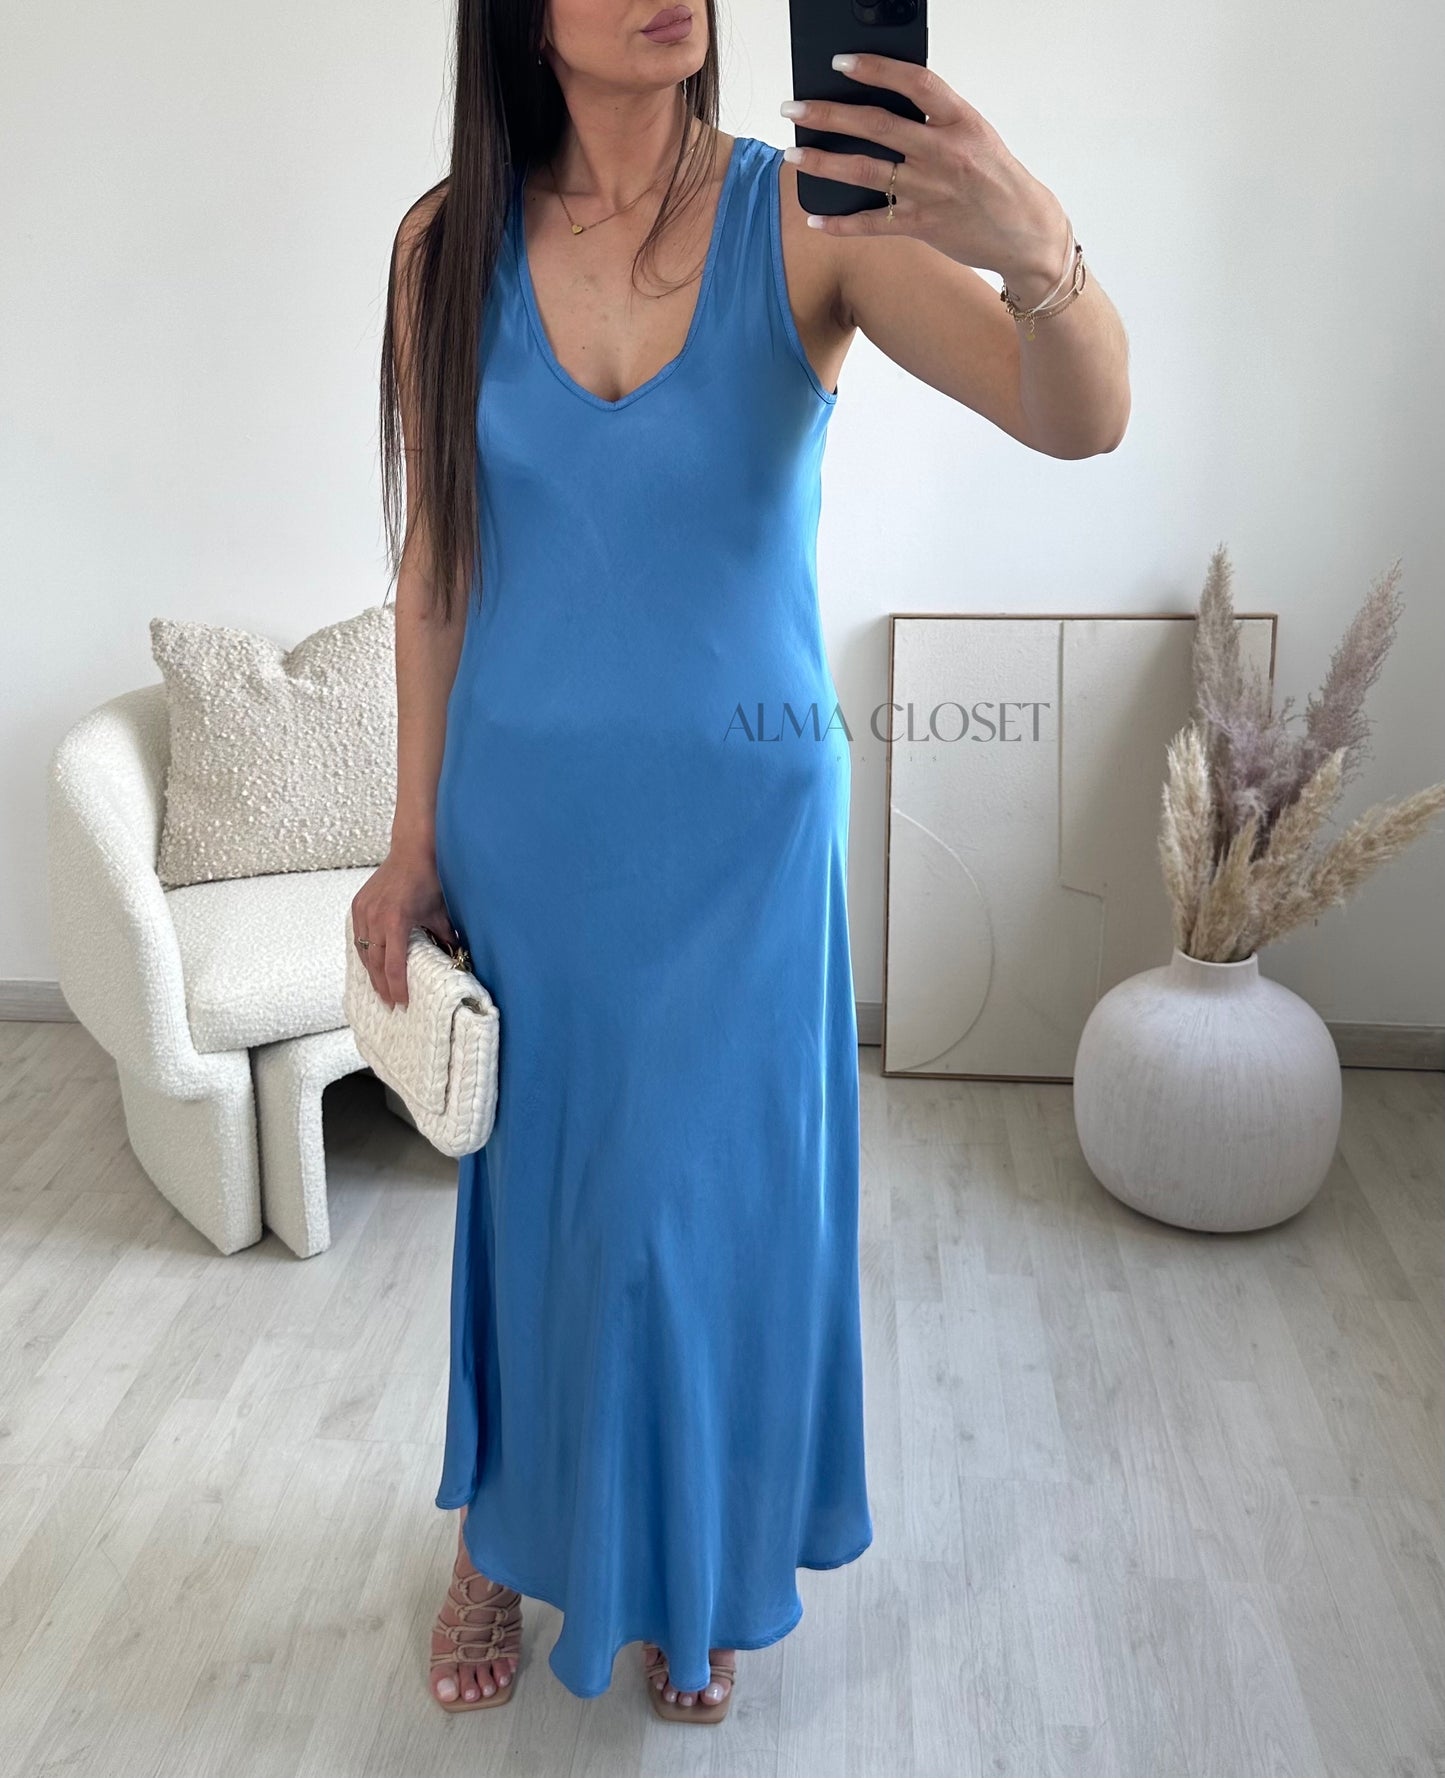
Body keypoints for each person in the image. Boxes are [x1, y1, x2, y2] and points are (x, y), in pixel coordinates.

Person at [350, 0, 1130, 1727]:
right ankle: (501, 1530)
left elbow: (1076, 418)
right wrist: (408, 843)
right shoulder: (443, 244)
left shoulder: (807, 220)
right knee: (551, 1209)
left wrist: (1037, 251)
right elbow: (436, 566)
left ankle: (684, 1555)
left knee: (697, 1218)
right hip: (528, 837)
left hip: (742, 850)